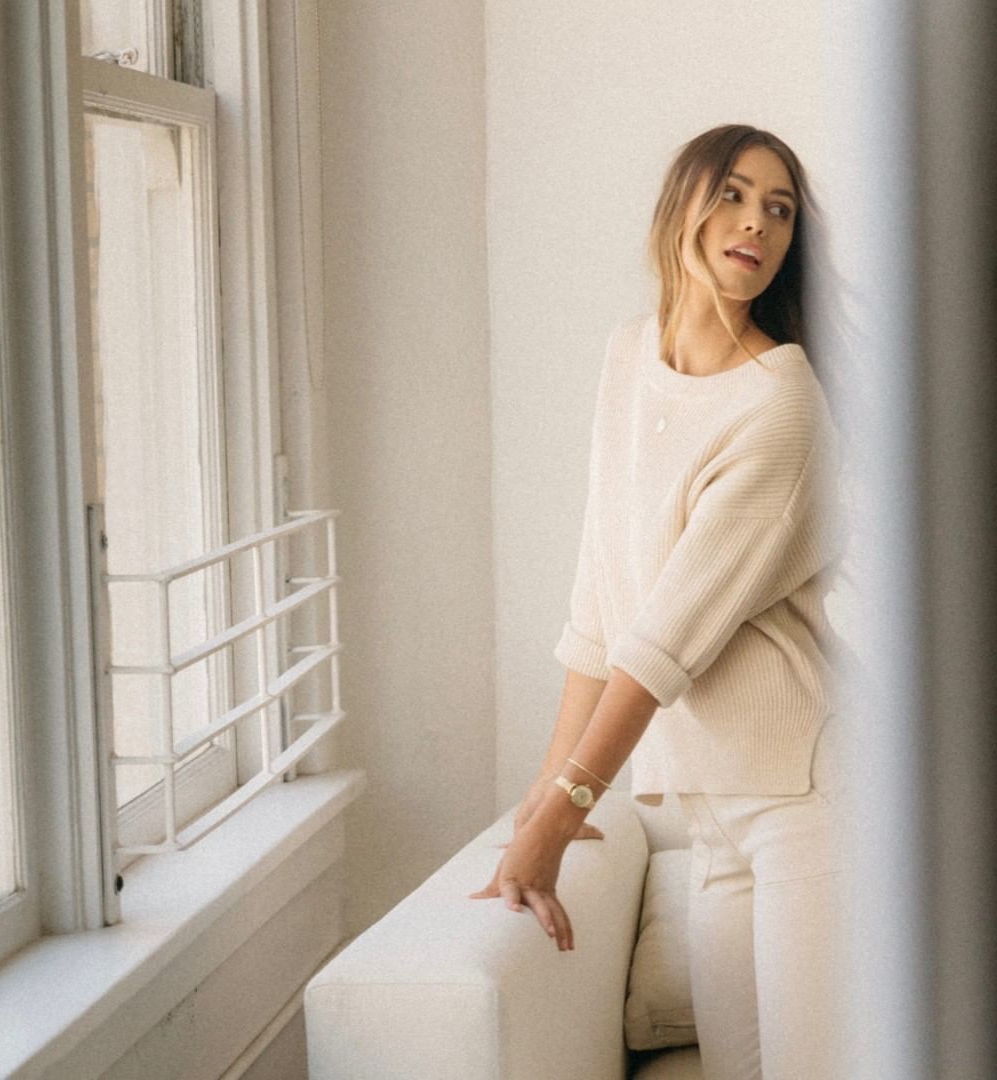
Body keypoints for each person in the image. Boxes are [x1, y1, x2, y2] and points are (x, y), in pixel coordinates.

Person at [469, 124, 854, 1079]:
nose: (755, 223)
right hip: (711, 809)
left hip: (809, 800)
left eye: (779, 209)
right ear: (681, 203)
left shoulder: (781, 401)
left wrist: (560, 820)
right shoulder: (627, 357)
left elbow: (659, 646)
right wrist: (540, 798)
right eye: (732, 194)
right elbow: (601, 606)